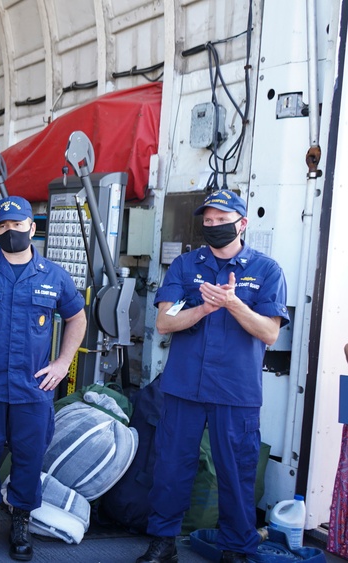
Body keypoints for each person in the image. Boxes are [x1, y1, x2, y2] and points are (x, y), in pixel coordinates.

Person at [136, 189, 289, 563]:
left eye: (223, 220)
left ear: (243, 224)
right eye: (209, 221)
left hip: (235, 392)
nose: (215, 226)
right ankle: (163, 542)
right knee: (171, 467)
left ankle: (236, 548)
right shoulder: (187, 266)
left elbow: (270, 333)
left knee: (236, 474)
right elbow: (163, 322)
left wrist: (234, 304)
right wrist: (205, 307)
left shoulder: (267, 270)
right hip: (184, 386)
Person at [0, 196, 87, 560]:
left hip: (33, 387)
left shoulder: (54, 275)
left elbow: (77, 318)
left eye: (17, 225)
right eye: (2, 226)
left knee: (30, 457)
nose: (10, 231)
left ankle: (20, 518)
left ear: (33, 229)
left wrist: (64, 362)